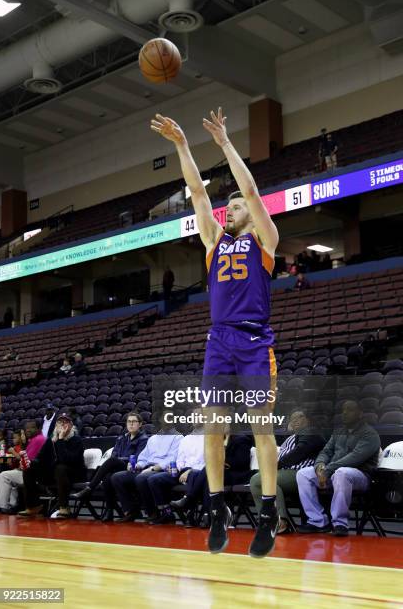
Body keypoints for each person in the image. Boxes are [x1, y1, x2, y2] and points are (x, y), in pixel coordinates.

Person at [151, 107, 279, 558]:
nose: (231, 207)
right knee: (212, 429)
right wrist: (183, 145)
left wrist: (225, 144)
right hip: (220, 341)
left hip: (254, 340)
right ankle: (218, 506)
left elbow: (249, 188)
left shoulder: (264, 241)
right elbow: (197, 193)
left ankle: (268, 511)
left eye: (237, 206)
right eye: (229, 206)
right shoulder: (214, 243)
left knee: (262, 428)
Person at [296, 400, 381, 536]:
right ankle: (318, 521)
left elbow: (355, 458)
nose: (345, 413)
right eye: (343, 410)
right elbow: (326, 452)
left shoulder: (370, 434)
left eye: (350, 410)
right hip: (332, 473)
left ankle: (340, 524)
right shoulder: (339, 432)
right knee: (303, 474)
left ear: (360, 413)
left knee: (342, 473)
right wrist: (320, 466)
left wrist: (327, 470)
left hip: (361, 476)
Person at [250, 410, 326, 534]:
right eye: (292, 418)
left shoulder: (311, 433)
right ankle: (274, 521)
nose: (295, 420)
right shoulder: (291, 437)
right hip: (285, 472)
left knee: (258, 480)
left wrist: (275, 466)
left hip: (300, 473)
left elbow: (298, 453)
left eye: (299, 417)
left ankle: (277, 520)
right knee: (262, 482)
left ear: (308, 420)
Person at [72, 412, 148, 522]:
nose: (131, 424)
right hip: (119, 467)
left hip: (132, 468)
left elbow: (137, 457)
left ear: (140, 424)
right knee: (107, 477)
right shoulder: (122, 438)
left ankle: (90, 488)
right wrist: (119, 459)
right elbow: (114, 454)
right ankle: (111, 512)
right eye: (129, 421)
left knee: (112, 461)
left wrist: (121, 459)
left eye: (134, 422)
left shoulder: (143, 439)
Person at [171, 430, 253, 527]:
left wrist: (223, 461)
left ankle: (189, 499)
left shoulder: (242, 439)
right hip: (219, 473)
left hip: (236, 474)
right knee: (209, 477)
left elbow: (242, 462)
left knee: (209, 472)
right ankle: (207, 516)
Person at [111, 415, 182, 522]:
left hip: (162, 469)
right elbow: (144, 457)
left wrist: (154, 468)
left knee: (142, 478)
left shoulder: (178, 437)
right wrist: (137, 465)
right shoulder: (153, 438)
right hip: (146, 469)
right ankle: (131, 510)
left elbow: (173, 458)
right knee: (117, 477)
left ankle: (153, 512)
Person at [18, 413, 86, 519]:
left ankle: (64, 507)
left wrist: (61, 439)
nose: (62, 424)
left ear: (71, 425)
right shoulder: (51, 441)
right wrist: (29, 463)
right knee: (28, 470)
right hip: (56, 475)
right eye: (60, 422)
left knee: (60, 468)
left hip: (74, 474)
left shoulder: (77, 440)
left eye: (66, 422)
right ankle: (33, 506)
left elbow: (67, 460)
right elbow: (40, 458)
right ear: (56, 426)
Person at [147, 409, 205, 524]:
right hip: (181, 472)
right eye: (193, 416)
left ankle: (190, 515)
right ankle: (167, 512)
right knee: (154, 479)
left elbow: (207, 463)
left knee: (193, 475)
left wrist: (189, 471)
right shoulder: (186, 438)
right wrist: (175, 468)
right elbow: (180, 459)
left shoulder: (209, 438)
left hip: (198, 472)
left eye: (198, 416)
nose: (194, 418)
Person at [0, 422, 45, 514]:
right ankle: (6, 506)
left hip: (33, 474)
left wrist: (19, 464)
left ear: (39, 429)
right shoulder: (32, 440)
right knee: (4, 474)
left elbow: (28, 462)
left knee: (4, 475)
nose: (28, 431)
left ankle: (1, 506)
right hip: (29, 472)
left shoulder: (38, 439)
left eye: (32, 428)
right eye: (26, 429)